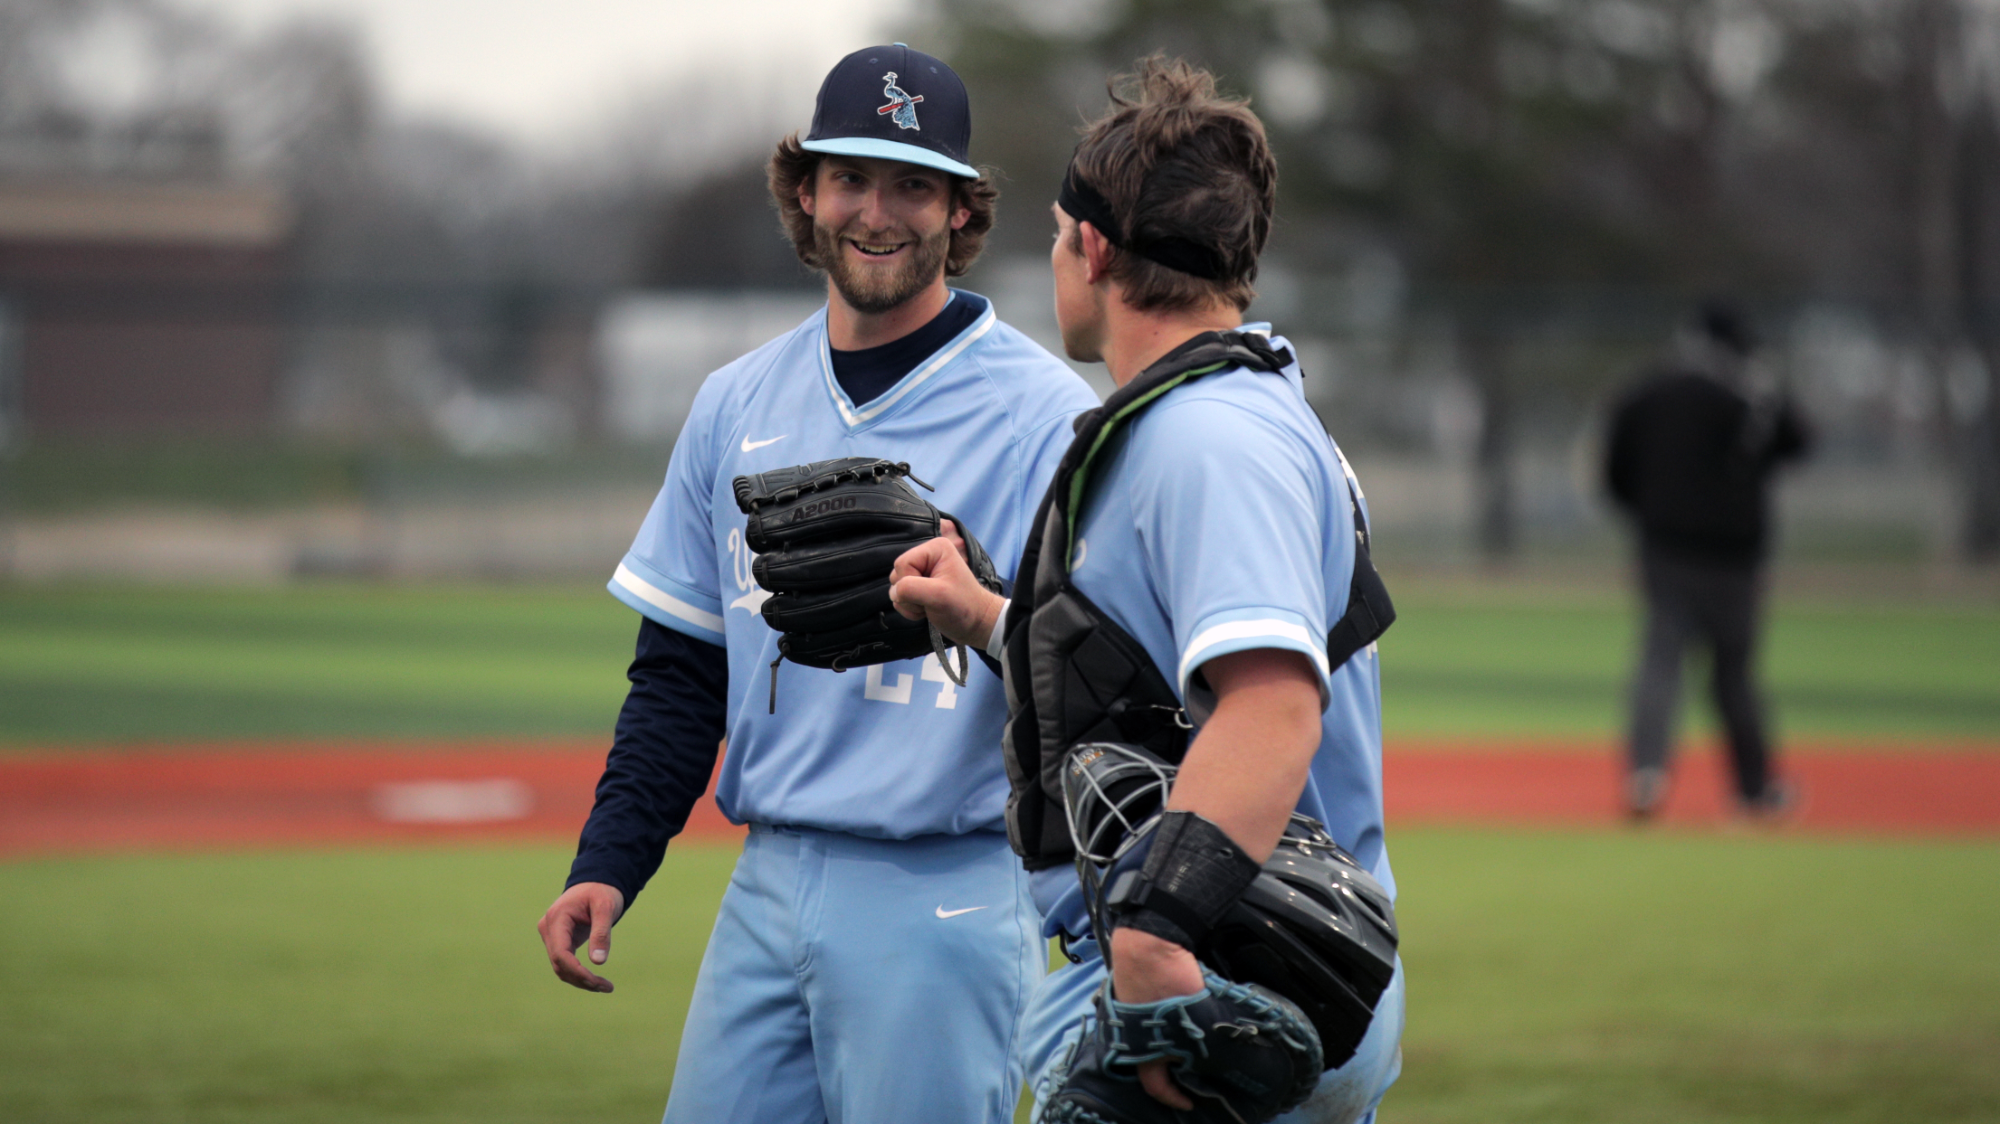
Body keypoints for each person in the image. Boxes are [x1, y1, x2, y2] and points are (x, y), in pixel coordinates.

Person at [534, 44, 1099, 1124]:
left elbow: (1099, 676)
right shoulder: (732, 402)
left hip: (947, 887)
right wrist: (609, 858)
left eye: (911, 184)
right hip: (767, 885)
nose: (875, 211)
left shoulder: (1041, 416)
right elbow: (681, 670)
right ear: (805, 191)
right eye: (849, 177)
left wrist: (984, 611)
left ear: (959, 212)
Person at [891, 58, 1405, 1124]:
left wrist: (1151, 935)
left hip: (1214, 974)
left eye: (1052, 232)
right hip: (1258, 955)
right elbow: (1168, 691)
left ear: (1093, 246)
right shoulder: (1233, 407)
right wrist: (992, 618)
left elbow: (1269, 705)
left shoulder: (1207, 436)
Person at [1604, 301, 1812, 821]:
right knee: (1734, 674)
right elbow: (1798, 442)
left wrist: (1650, 513)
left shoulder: (1646, 393)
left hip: (1666, 548)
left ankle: (1646, 774)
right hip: (1734, 558)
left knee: (1661, 660)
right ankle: (1753, 791)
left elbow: (1615, 471)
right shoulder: (1749, 398)